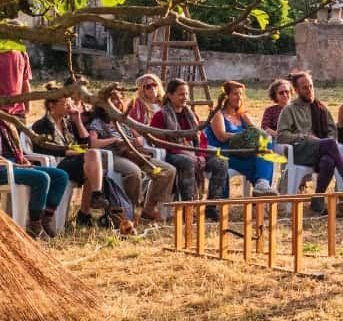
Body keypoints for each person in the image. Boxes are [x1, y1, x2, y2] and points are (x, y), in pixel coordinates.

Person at [0, 74, 71, 238]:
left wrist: (22, 160)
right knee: (42, 178)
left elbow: (13, 145)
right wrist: (12, 164)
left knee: (61, 175)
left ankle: (46, 217)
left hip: (14, 164)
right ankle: (33, 224)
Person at [87, 84, 177, 221]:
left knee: (168, 170)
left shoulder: (124, 121)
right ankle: (131, 210)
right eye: (113, 99)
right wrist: (113, 140)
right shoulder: (98, 122)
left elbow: (139, 137)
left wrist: (138, 140)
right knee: (134, 172)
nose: (117, 102)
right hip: (113, 155)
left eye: (120, 98)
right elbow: (93, 144)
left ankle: (149, 208)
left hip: (134, 153)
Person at [150, 79, 228, 219]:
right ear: (169, 95)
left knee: (221, 161)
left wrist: (201, 155)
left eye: (186, 94)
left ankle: (212, 206)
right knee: (187, 162)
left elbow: (201, 138)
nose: (185, 97)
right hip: (172, 153)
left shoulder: (191, 115)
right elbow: (159, 141)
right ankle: (189, 207)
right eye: (180, 94)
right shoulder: (160, 116)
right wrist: (185, 152)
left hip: (195, 151)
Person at [275, 70, 343, 205]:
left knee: (328, 161)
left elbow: (332, 130)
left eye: (311, 86)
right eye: (305, 88)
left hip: (321, 150)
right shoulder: (290, 109)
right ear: (297, 90)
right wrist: (304, 137)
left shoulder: (321, 107)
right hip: (299, 151)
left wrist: (328, 139)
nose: (309, 90)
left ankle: (317, 199)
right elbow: (281, 136)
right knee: (329, 143)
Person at [31, 93, 107, 223]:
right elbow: (42, 148)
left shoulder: (68, 123)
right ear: (51, 105)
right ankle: (95, 198)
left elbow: (87, 143)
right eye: (65, 102)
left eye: (69, 102)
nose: (69, 105)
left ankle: (86, 211)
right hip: (55, 164)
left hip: (71, 163)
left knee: (93, 163)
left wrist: (78, 121)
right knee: (93, 157)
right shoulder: (41, 125)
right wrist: (69, 152)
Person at [206, 80, 276, 194]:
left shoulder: (242, 115)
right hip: (225, 153)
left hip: (242, 153)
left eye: (241, 94)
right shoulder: (218, 114)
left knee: (266, 147)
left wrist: (254, 132)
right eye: (235, 94)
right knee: (260, 160)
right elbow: (222, 137)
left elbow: (258, 133)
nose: (239, 97)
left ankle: (261, 185)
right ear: (226, 96)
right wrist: (244, 136)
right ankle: (261, 185)